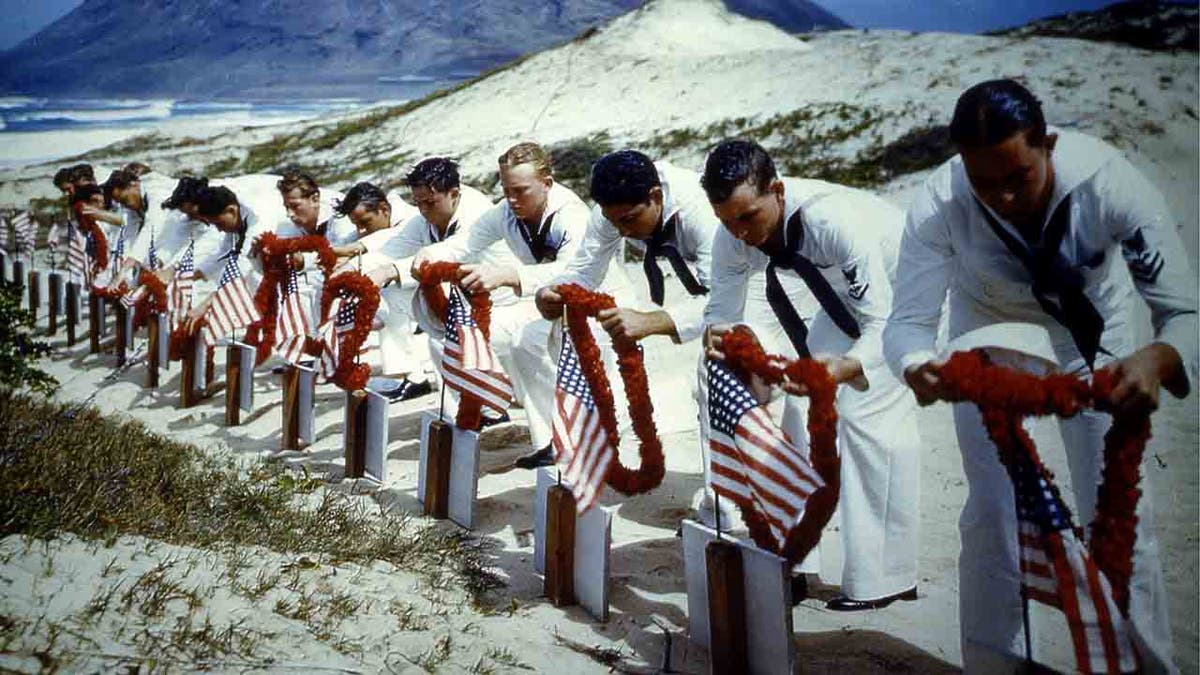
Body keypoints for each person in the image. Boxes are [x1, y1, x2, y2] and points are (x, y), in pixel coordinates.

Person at [884, 79, 1196, 673]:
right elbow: (907, 325)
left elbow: (1185, 311)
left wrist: (1159, 358)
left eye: (1018, 178)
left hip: (1096, 340)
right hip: (988, 339)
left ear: (1048, 144)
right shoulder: (937, 202)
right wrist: (919, 366)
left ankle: (1145, 665)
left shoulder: (1110, 184)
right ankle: (995, 662)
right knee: (992, 513)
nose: (1002, 198)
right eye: (984, 183)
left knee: (1124, 514)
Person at [702, 139, 922, 611]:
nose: (739, 234)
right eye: (726, 221)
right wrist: (725, 342)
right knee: (800, 413)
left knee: (866, 416)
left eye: (749, 218)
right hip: (841, 295)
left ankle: (885, 577)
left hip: (907, 286)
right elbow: (720, 312)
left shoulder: (832, 221)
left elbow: (882, 321)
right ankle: (797, 558)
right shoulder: (731, 232)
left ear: (778, 191)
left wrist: (846, 366)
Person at [412, 142, 596, 468]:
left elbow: (575, 273)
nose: (512, 199)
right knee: (504, 340)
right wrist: (430, 255)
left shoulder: (572, 215)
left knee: (544, 349)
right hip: (546, 303)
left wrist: (509, 274)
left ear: (547, 184)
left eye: (521, 191)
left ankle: (583, 437)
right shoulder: (506, 211)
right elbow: (466, 242)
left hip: (597, 304)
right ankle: (551, 441)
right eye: (506, 190)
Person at [354, 161, 501, 402]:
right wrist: (352, 272)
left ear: (454, 194)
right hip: (464, 295)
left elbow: (454, 254)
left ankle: (479, 404)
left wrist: (390, 271)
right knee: (393, 297)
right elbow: (394, 248)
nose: (422, 210)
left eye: (429, 203)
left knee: (441, 342)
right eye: (418, 203)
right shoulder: (429, 214)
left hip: (498, 297)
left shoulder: (476, 211)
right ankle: (415, 377)